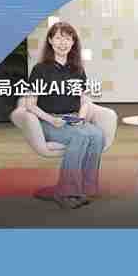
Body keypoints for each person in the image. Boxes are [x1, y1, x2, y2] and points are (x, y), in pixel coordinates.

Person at [26, 21, 105, 209]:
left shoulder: (77, 69)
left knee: (97, 135)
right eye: (58, 38)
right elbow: (30, 104)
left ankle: (85, 187)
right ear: (50, 41)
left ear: (73, 42)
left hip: (72, 118)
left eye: (68, 39)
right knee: (80, 137)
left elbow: (84, 100)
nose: (63, 43)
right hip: (48, 120)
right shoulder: (40, 69)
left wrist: (81, 117)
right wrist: (51, 120)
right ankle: (66, 192)